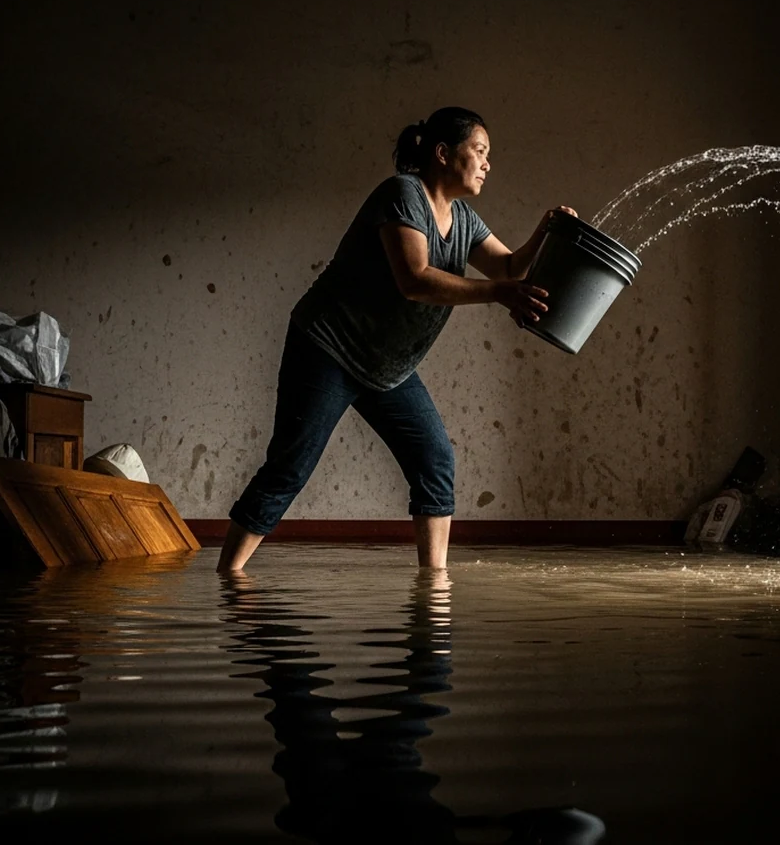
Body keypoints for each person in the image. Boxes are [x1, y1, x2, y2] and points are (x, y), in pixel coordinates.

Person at [218, 107, 574, 573]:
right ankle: (229, 575)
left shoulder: (465, 220)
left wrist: (546, 232)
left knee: (434, 459)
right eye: (480, 151)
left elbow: (507, 268)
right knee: (290, 465)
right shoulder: (402, 194)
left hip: (387, 367)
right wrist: (499, 293)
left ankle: (434, 580)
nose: (488, 164)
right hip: (328, 348)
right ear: (443, 153)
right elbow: (415, 278)